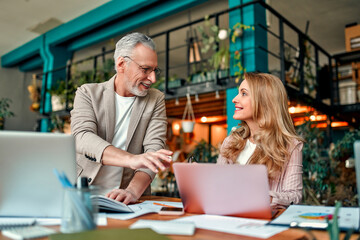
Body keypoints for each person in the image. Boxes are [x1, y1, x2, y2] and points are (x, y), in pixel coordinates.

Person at [70, 32, 173, 204]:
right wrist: (131, 159)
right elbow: (82, 137)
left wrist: (132, 192)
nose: (153, 78)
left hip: (128, 199)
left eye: (155, 70)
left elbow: (153, 150)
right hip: (82, 194)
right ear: (121, 64)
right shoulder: (88, 93)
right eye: (145, 69)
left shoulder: (155, 99)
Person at [218, 72, 304, 208]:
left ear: (264, 101)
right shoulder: (231, 141)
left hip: (263, 224)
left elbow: (295, 196)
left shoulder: (290, 146)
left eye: (244, 93)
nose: (234, 99)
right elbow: (219, 187)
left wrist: (264, 197)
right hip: (230, 217)